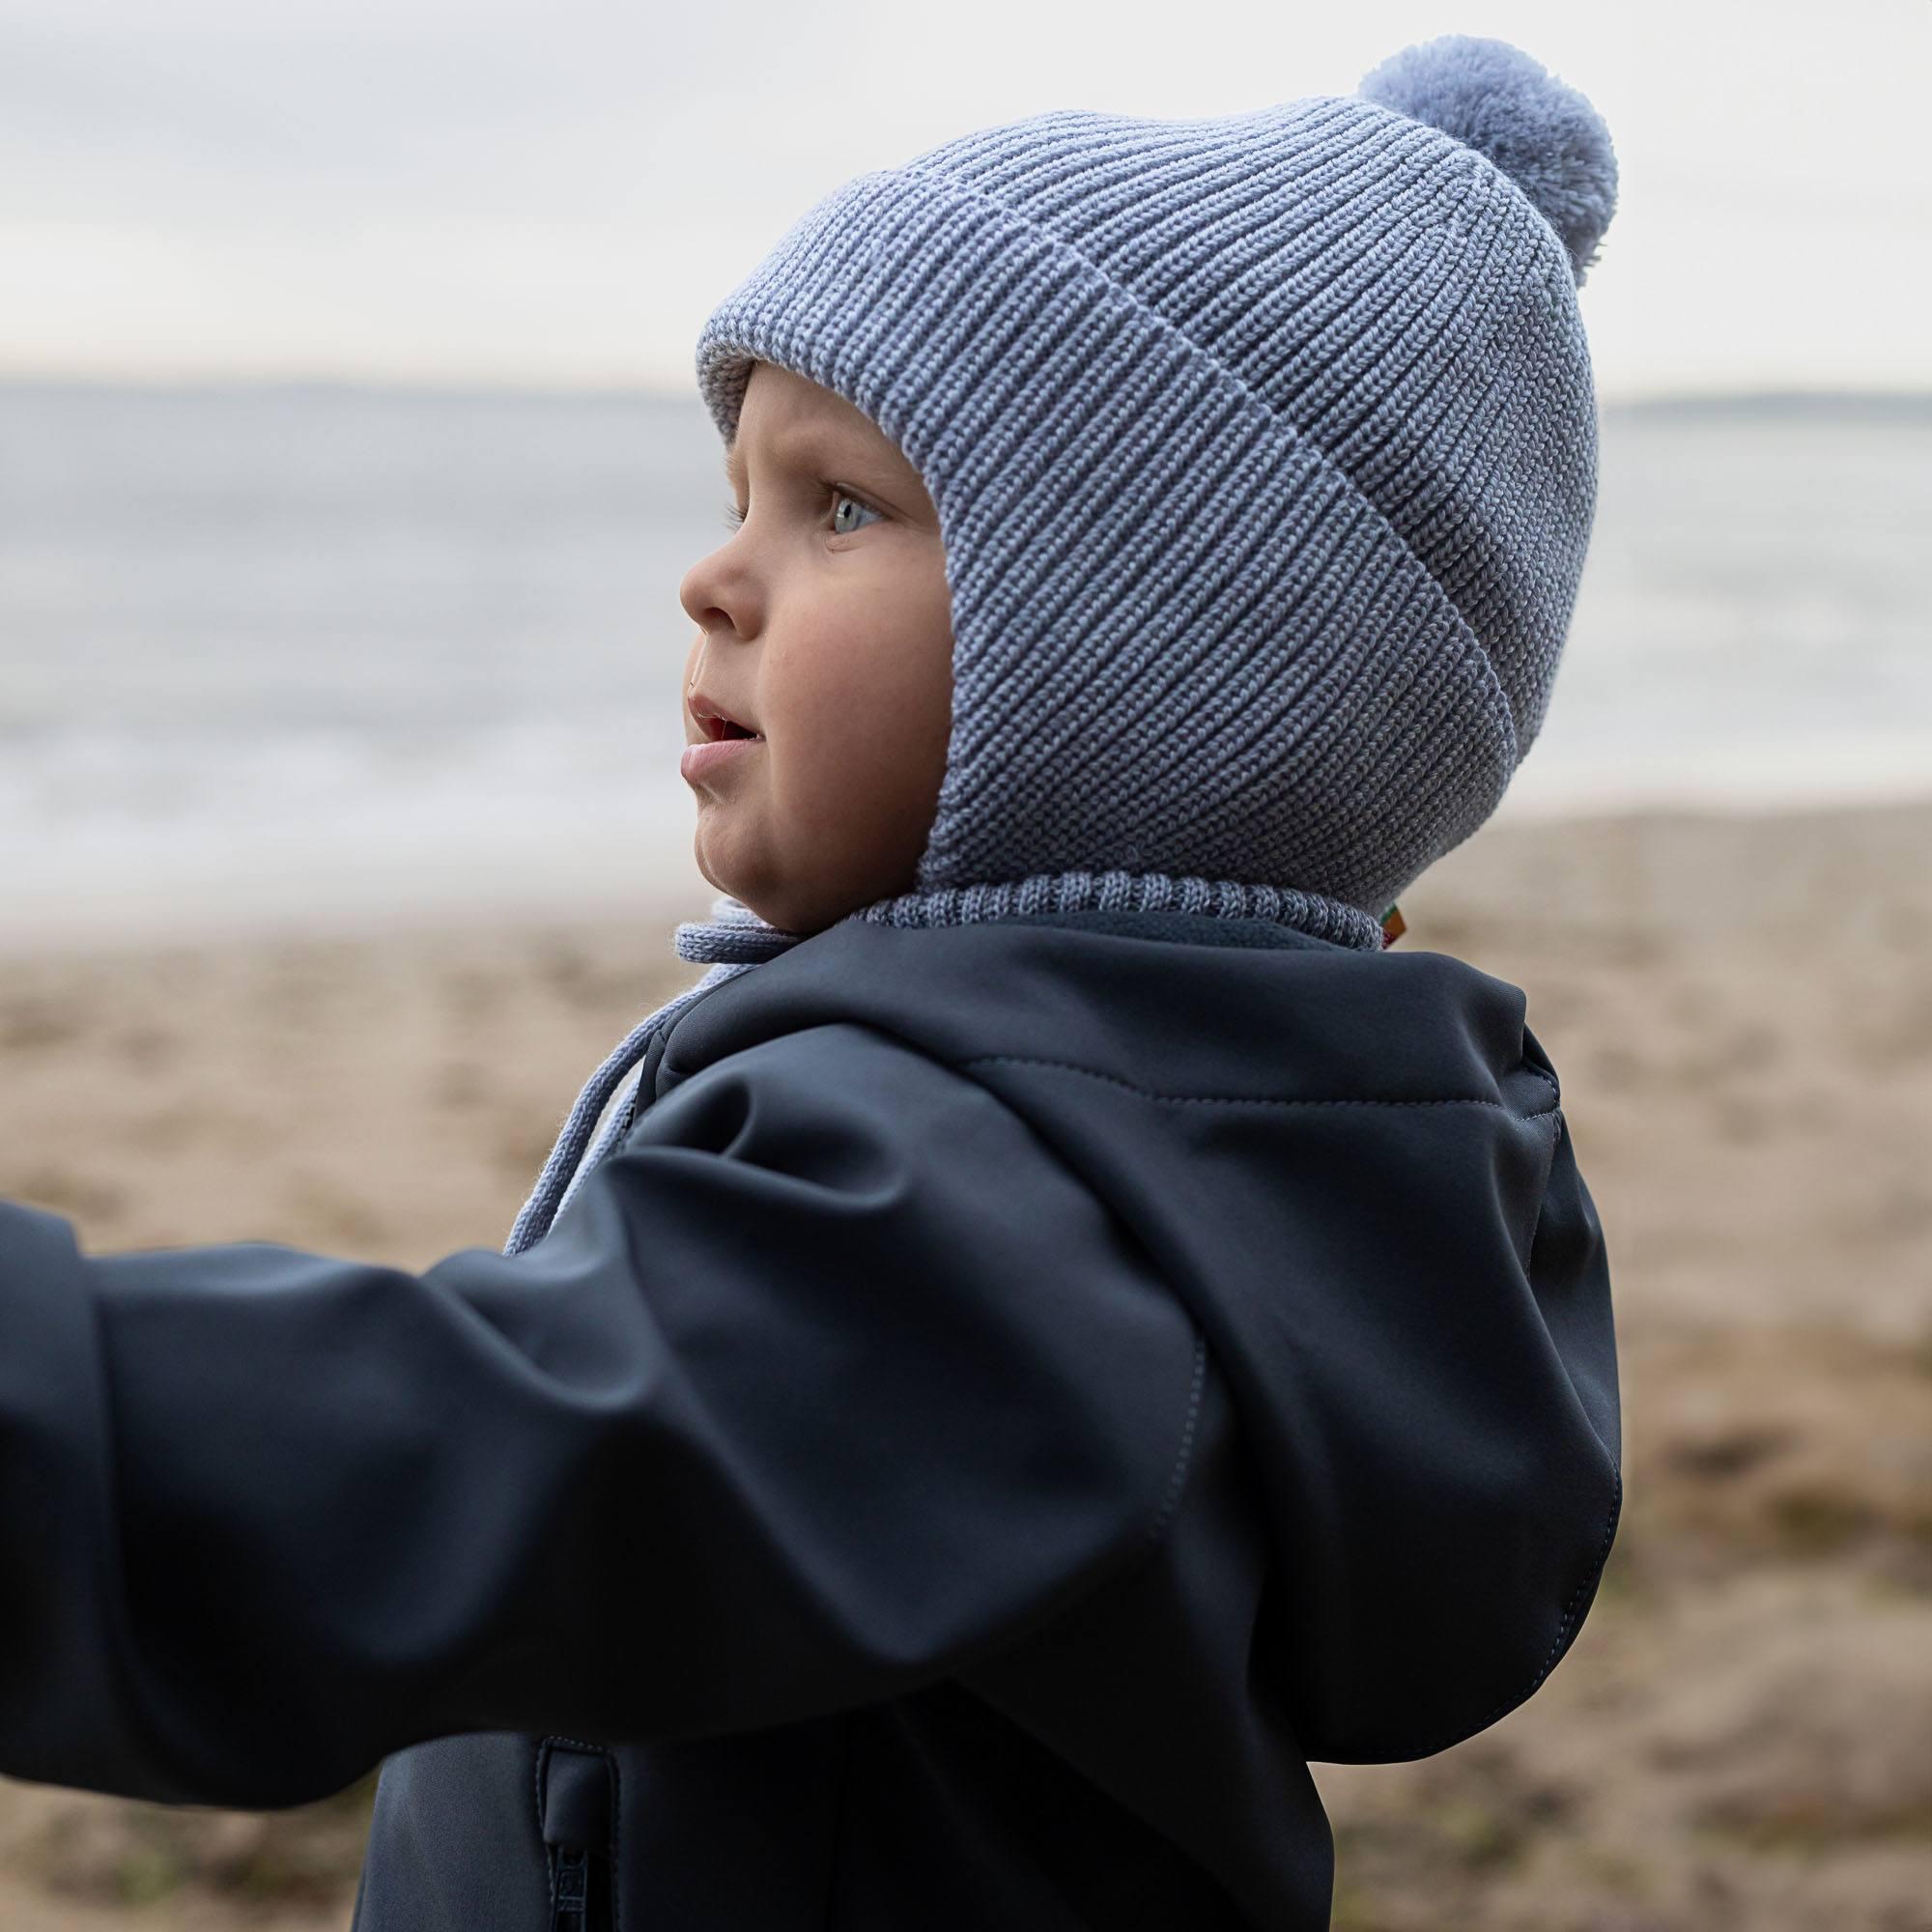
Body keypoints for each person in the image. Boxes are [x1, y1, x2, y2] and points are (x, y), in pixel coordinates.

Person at [0, 32, 1624, 1931]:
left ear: (1152, 672)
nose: (715, 574)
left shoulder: (1019, 1220)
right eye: (737, 489)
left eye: (839, 504)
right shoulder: (1111, 1132)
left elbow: (483, 1472)